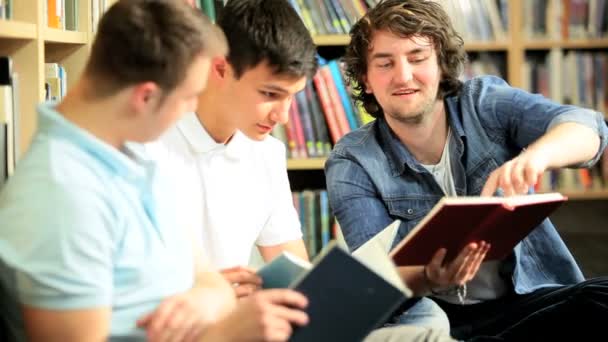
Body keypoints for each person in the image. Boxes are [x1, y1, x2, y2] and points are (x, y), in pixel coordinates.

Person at [0, 1, 314, 341]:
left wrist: (211, 302)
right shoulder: (61, 193)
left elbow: (209, 281)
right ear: (146, 97)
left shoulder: (128, 156)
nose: (194, 109)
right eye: (191, 96)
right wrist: (222, 335)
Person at [325, 0, 608, 340]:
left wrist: (535, 157)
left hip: (526, 300)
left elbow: (588, 129)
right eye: (385, 64)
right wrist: (428, 278)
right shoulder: (351, 161)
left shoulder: (482, 101)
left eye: (417, 58)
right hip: (435, 318)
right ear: (366, 80)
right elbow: (379, 283)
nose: (403, 76)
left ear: (442, 66)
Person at [147, 0, 316, 298]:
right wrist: (208, 297)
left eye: (292, 97)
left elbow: (296, 274)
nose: (283, 116)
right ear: (220, 68)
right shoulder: (148, 143)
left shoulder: (267, 154)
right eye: (270, 94)